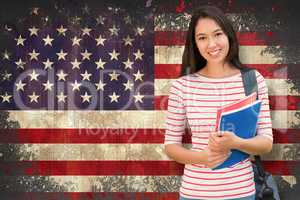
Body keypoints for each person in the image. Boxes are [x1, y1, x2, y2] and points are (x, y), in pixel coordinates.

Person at [164, 5, 273, 200]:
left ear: (228, 35)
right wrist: (202, 158)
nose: (212, 44)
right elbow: (171, 146)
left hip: (242, 193)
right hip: (194, 193)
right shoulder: (182, 86)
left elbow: (266, 142)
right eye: (202, 38)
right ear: (195, 43)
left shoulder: (252, 80)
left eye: (217, 34)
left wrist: (236, 143)